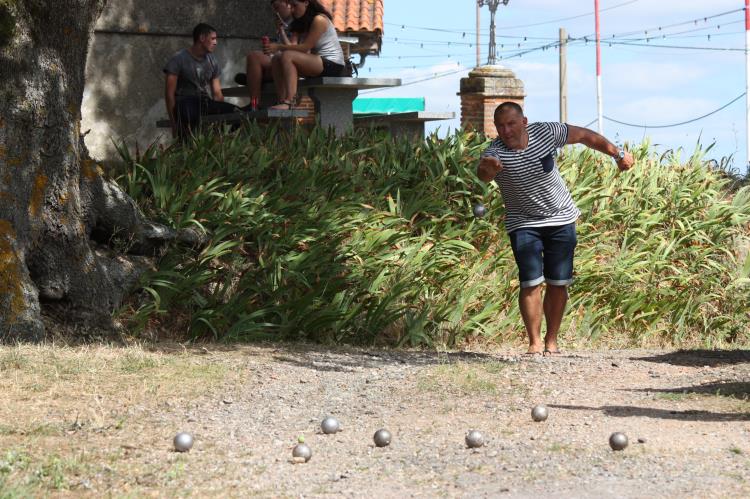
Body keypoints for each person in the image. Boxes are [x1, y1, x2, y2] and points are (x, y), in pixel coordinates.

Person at [477, 102, 635, 356]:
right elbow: (483, 172)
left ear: (524, 122)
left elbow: (584, 136)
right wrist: (487, 170)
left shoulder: (545, 133)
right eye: (500, 126)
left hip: (561, 218)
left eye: (511, 124)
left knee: (558, 282)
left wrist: (617, 154)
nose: (506, 131)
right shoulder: (495, 152)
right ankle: (534, 342)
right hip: (523, 223)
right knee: (529, 282)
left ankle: (551, 341)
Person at [263, 0, 346, 109]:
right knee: (277, 58)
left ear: (306, 2)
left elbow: (305, 47)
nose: (292, 9)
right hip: (317, 63)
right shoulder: (301, 22)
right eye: (290, 6)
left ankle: (290, 102)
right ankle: (282, 100)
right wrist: (282, 32)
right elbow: (292, 47)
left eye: (295, 5)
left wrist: (278, 47)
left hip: (333, 64)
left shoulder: (319, 19)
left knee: (286, 56)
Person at [163, 23, 237, 140]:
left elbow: (217, 94)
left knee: (239, 114)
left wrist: (220, 116)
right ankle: (187, 145)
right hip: (185, 102)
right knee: (188, 115)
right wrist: (174, 124)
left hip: (204, 102)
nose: (215, 42)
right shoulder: (178, 59)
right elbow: (169, 94)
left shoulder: (212, 60)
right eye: (212, 38)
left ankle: (223, 140)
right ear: (202, 38)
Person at [243, 0, 297, 110]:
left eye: (277, 7)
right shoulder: (284, 23)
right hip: (279, 60)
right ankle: (254, 102)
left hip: (290, 62)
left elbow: (293, 49)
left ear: (287, 3)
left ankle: (255, 102)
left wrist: (280, 34)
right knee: (254, 59)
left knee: (254, 57)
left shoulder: (297, 23)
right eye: (274, 9)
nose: (276, 12)